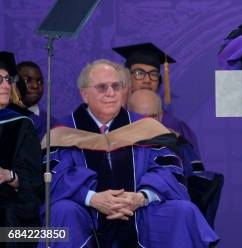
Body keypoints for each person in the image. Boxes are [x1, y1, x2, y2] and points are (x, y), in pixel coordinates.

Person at [44, 59, 218, 247]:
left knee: (183, 210)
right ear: (84, 94)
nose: (110, 93)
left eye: (116, 86)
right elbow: (55, 176)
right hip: (86, 212)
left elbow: (168, 171)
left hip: (140, 213)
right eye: (102, 87)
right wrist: (92, 198)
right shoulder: (64, 131)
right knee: (62, 211)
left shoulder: (146, 128)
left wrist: (141, 197)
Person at [128, 89, 224, 228]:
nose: (147, 123)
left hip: (168, 218)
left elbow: (196, 180)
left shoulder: (177, 144)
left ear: (161, 116)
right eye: (140, 117)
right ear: (129, 116)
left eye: (152, 116)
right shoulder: (118, 144)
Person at [113, 42, 200, 150]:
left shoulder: (174, 125)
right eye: (139, 73)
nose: (147, 80)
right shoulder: (112, 121)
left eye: (153, 74)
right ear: (127, 78)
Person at [0, 52, 43, 247]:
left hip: (11, 210)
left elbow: (35, 181)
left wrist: (9, 175)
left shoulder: (21, 124)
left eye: (8, 79)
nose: (7, 85)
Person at [16, 60, 58, 140]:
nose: (35, 86)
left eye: (40, 82)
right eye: (26, 80)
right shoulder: (4, 117)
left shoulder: (51, 123)